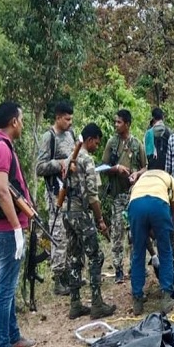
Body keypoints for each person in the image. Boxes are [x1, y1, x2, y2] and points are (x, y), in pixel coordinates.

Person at [0, 102, 36, 347]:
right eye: (21, 118)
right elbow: (4, 193)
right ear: (13, 121)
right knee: (6, 289)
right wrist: (16, 228)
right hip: (5, 231)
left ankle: (14, 337)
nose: (23, 123)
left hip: (7, 229)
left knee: (10, 284)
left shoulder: (2, 145)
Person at [63, 123, 117, 320]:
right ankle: (96, 303)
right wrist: (100, 219)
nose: (97, 145)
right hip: (81, 214)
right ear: (90, 139)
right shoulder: (87, 160)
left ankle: (75, 303)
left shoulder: (71, 157)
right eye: (96, 142)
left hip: (67, 213)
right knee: (96, 256)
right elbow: (93, 196)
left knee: (75, 257)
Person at [35, 100, 76, 295]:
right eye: (67, 119)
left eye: (71, 119)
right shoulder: (48, 137)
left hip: (70, 192)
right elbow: (40, 167)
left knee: (70, 234)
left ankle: (69, 273)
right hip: (55, 194)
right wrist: (59, 163)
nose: (69, 122)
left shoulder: (71, 134)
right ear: (58, 117)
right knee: (58, 234)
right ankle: (58, 278)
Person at [102, 109, 147, 283]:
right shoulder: (112, 143)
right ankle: (118, 269)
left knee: (135, 232)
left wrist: (136, 174)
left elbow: (145, 167)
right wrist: (116, 168)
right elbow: (103, 167)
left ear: (127, 124)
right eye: (115, 122)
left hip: (133, 194)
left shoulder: (136, 144)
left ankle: (136, 267)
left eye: (119, 122)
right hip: (117, 194)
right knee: (117, 232)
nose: (116, 125)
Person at [128, 169, 174, 315]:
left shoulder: (142, 178)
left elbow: (138, 205)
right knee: (165, 251)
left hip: (135, 205)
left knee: (138, 252)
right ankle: (166, 296)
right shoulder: (171, 180)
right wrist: (171, 226)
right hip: (158, 205)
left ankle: (137, 299)